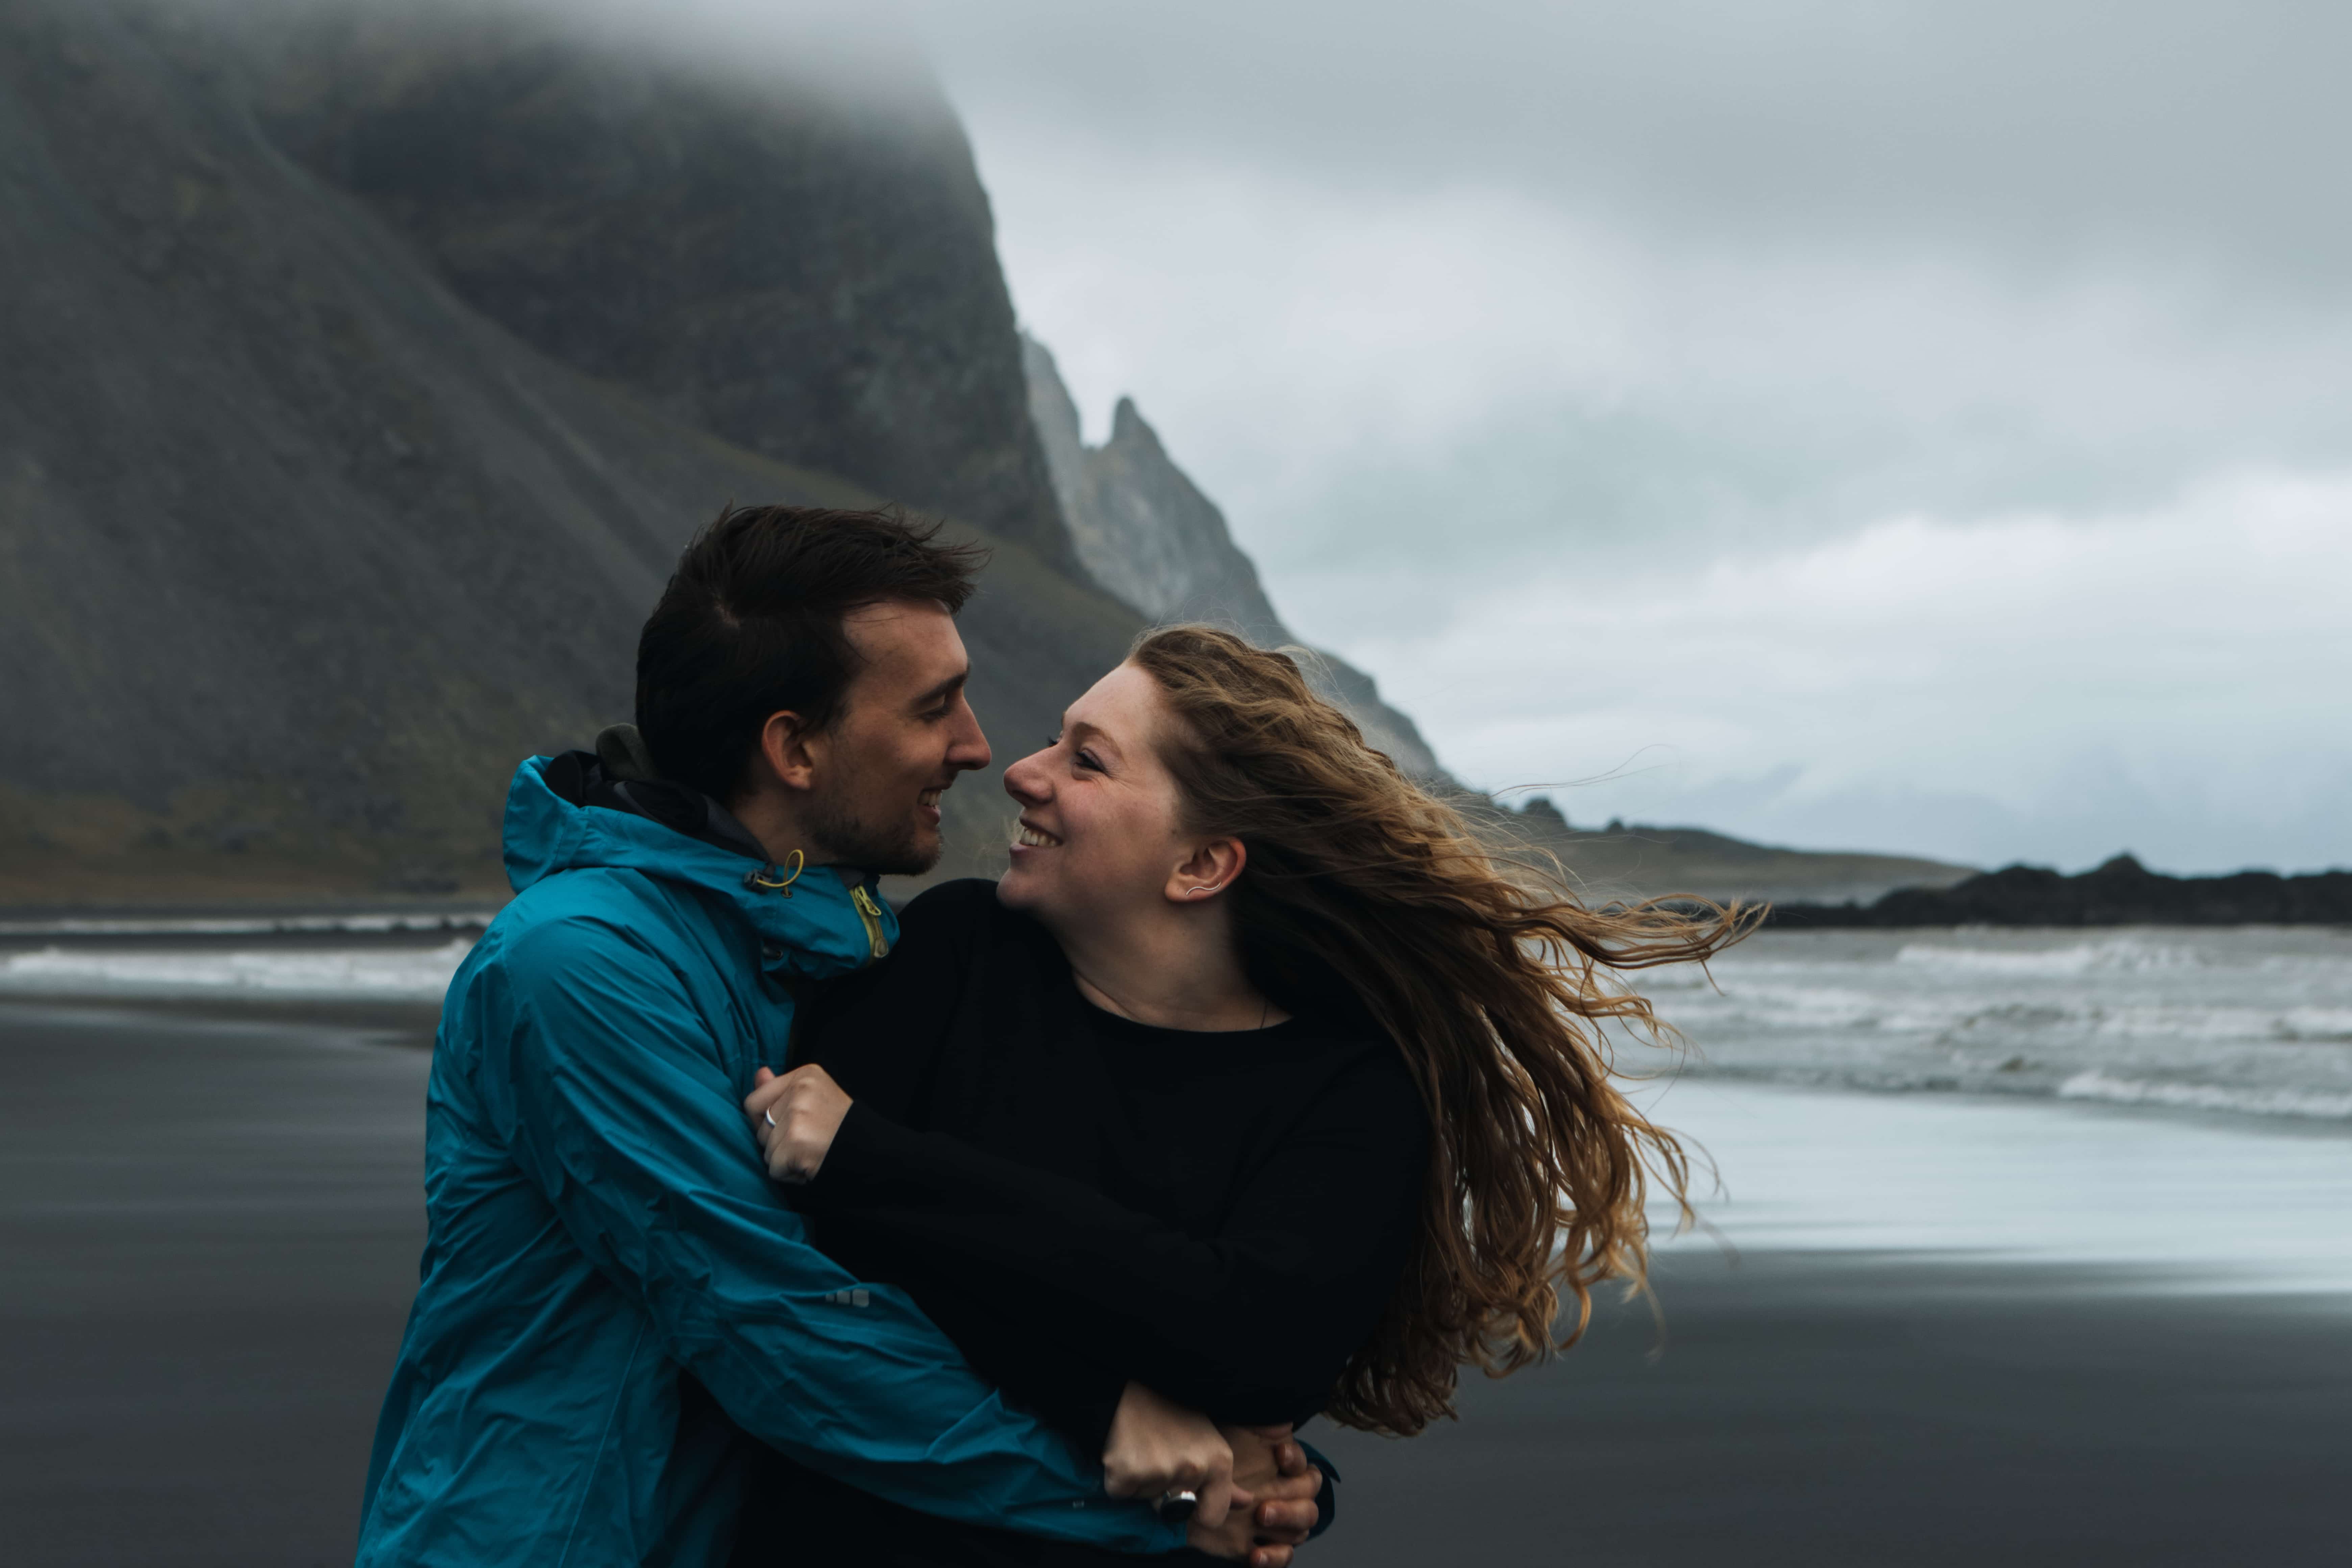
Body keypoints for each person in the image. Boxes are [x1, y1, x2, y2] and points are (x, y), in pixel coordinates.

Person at [356, 509, 1324, 1568]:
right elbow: (766, 1320)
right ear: (796, 748)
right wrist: (1146, 1493)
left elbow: (958, 1263)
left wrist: (1224, 1452)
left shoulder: (849, 957)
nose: (979, 747)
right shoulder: (578, 966)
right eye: (932, 707)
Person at [733, 624, 1756, 1565]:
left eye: (1086, 759)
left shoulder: (1349, 1090)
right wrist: (1107, 1401)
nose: (1022, 772)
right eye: (1057, 742)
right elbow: (825, 1269)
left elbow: (1253, 1346)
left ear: (1203, 862)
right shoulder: (955, 953)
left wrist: (874, 1158)